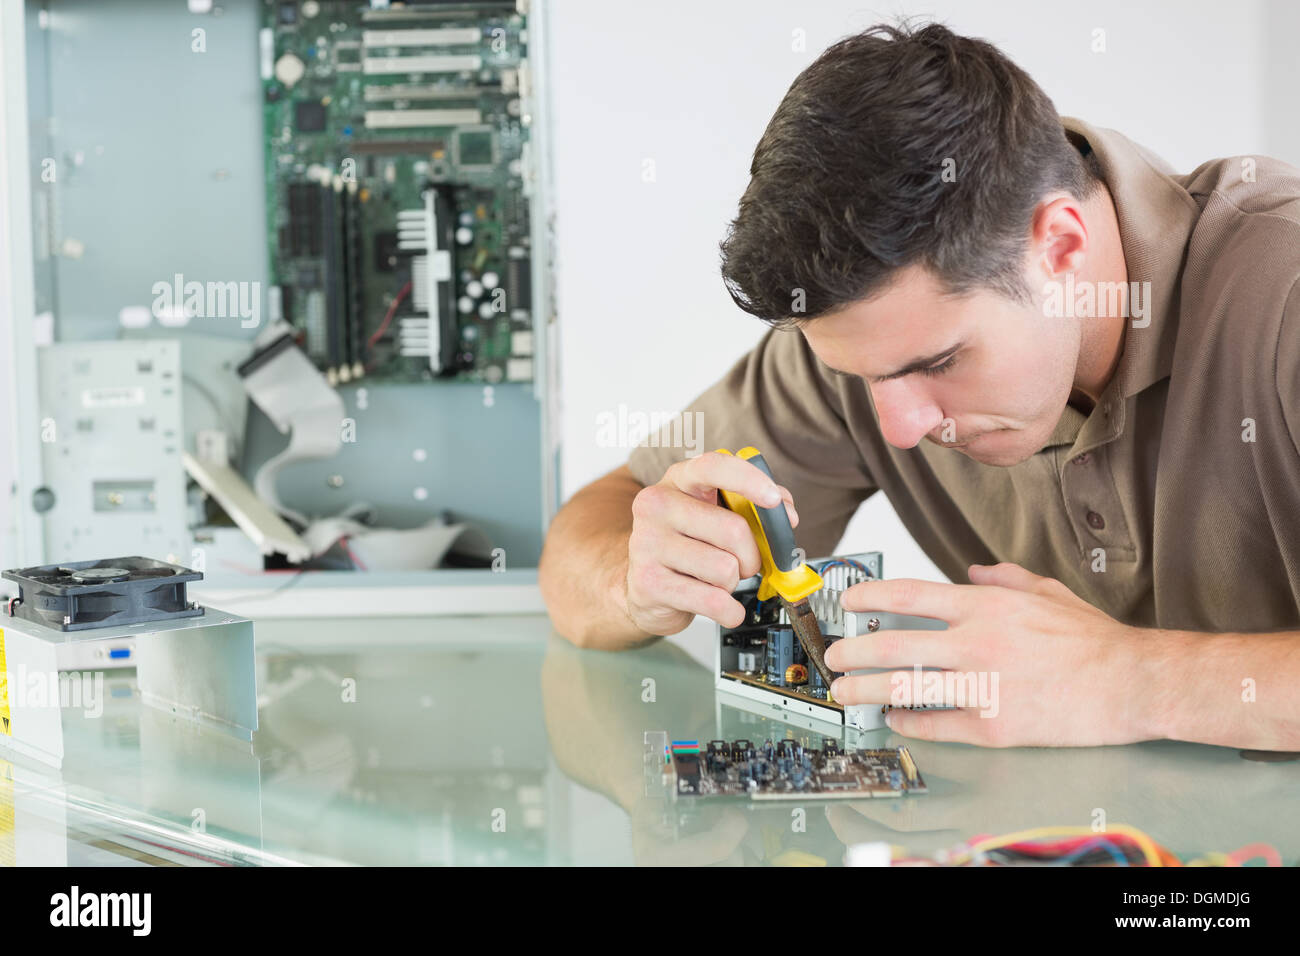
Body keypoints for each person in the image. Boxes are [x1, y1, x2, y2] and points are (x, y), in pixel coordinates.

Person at [539, 22, 1300, 750]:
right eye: (860, 375)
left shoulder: (1284, 294)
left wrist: (1126, 681)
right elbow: (591, 528)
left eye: (937, 363)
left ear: (1060, 245)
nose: (897, 426)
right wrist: (635, 579)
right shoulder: (867, 341)